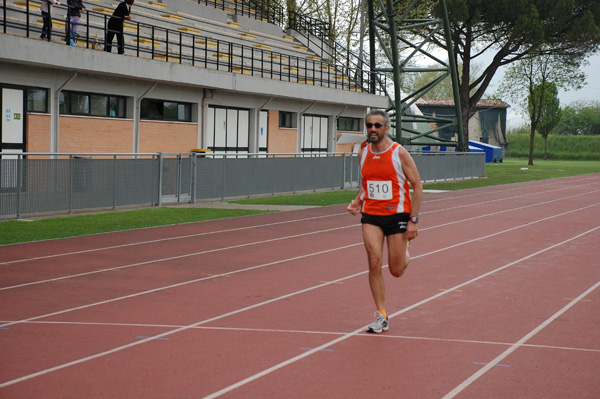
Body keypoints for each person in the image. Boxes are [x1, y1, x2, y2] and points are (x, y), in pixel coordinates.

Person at [347, 109, 423, 333]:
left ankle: (405, 248)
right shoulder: (363, 151)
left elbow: (417, 186)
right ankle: (381, 315)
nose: (372, 129)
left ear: (386, 128)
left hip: (397, 215)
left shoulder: (398, 152)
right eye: (369, 125)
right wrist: (356, 201)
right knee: (373, 261)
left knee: (396, 270)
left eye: (377, 126)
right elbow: (366, 182)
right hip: (371, 215)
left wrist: (413, 221)